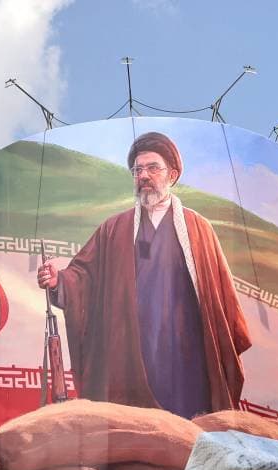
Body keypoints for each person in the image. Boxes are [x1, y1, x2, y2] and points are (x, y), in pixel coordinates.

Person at [36, 131, 252, 420]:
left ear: (172, 175)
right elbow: (83, 276)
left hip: (185, 352)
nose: (144, 176)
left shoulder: (199, 229)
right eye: (137, 170)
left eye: (152, 168)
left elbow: (221, 299)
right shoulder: (114, 229)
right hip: (131, 350)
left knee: (188, 428)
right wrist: (58, 282)